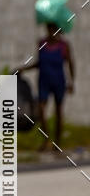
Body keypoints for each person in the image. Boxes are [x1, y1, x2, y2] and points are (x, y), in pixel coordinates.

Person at [18, 22, 74, 150]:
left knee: (58, 111)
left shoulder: (64, 46)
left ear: (58, 30)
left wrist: (71, 82)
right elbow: (39, 63)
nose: (51, 32)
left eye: (53, 29)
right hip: (44, 81)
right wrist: (24, 68)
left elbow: (70, 63)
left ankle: (57, 142)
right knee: (41, 109)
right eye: (49, 29)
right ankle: (46, 140)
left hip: (59, 82)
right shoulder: (41, 43)